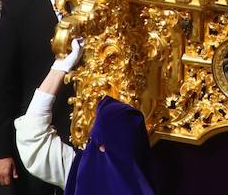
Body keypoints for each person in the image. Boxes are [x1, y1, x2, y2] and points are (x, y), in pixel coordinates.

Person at [0, 0, 77, 192]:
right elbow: (0, 86)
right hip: (35, 137)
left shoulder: (90, 4)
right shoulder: (18, 11)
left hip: (79, 134)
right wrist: (0, 151)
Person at [13, 44, 155, 193]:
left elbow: (32, 136)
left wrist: (59, 69)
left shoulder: (86, 170)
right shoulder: (85, 168)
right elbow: (33, 136)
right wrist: (59, 68)